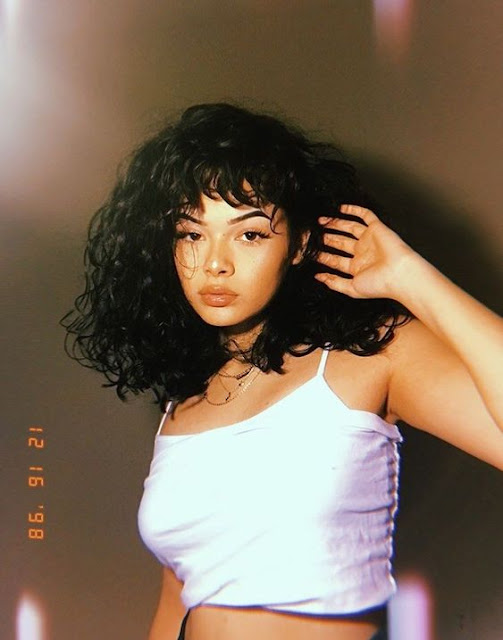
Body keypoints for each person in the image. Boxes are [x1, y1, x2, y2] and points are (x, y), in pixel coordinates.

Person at [60, 103, 503, 640]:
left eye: (249, 234)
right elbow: (178, 599)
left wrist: (412, 278)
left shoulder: (370, 356)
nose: (215, 263)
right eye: (191, 234)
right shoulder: (186, 401)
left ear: (299, 244)